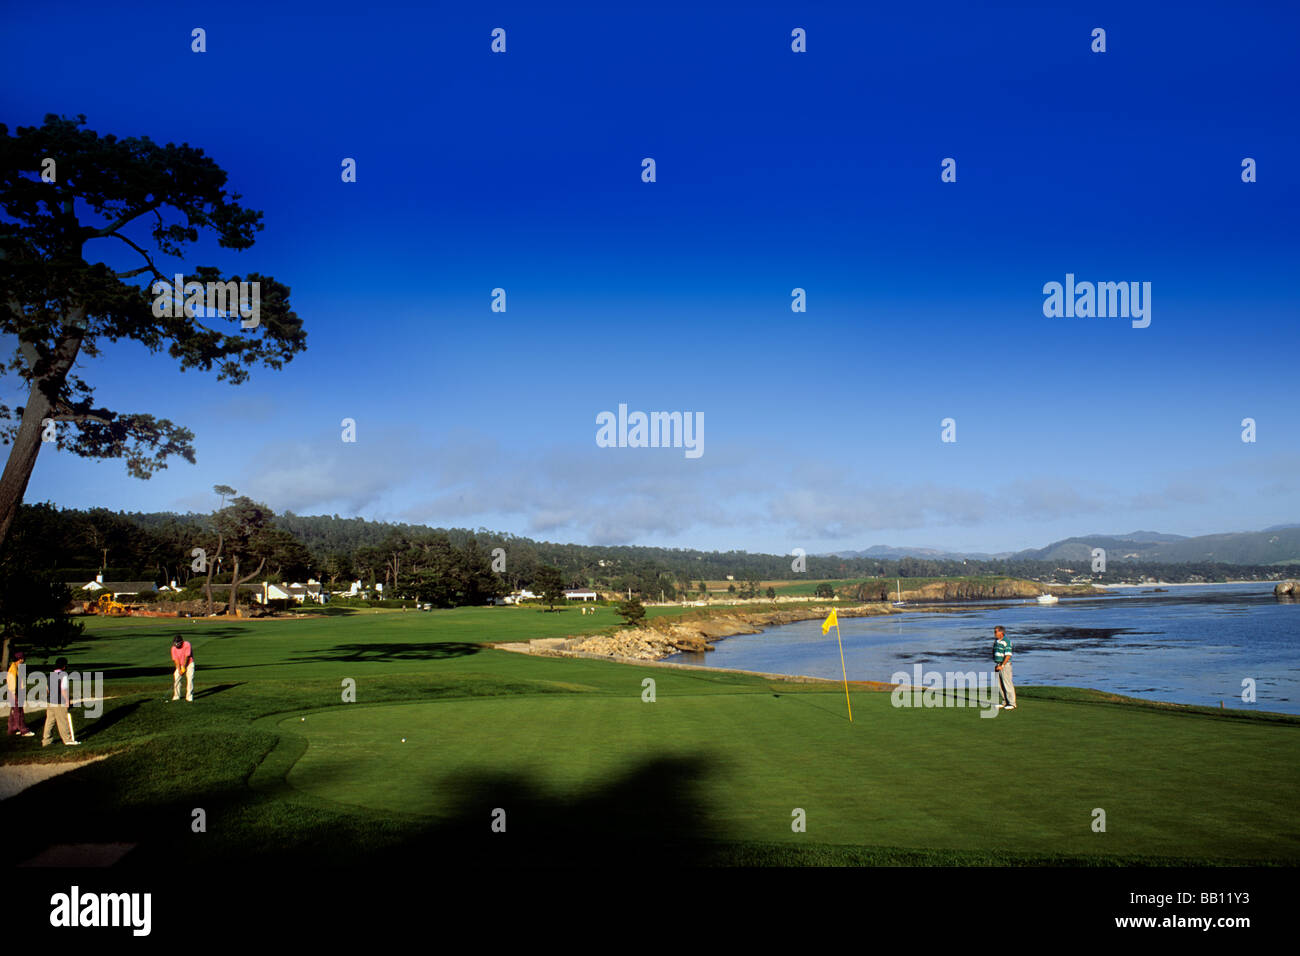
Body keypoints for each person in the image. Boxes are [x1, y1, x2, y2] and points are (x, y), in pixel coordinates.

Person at [42, 656, 79, 747]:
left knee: (49, 721)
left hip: (50, 702)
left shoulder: (50, 675)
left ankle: (46, 741)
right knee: (63, 721)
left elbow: (47, 690)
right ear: (64, 666)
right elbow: (64, 690)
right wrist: (67, 701)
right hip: (59, 702)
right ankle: (67, 740)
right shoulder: (64, 675)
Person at [6, 650, 35, 737]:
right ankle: (23, 730)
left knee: (14, 712)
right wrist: (15, 694)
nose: (23, 660)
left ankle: (12, 729)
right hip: (14, 693)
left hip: (13, 693)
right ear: (20, 659)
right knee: (18, 712)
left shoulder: (15, 667)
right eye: (22, 658)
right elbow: (12, 683)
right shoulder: (14, 669)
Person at [993, 625, 1016, 710]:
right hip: (998, 664)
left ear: (1001, 632)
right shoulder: (996, 641)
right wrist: (997, 664)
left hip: (1005, 665)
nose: (994, 633)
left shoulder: (1007, 641)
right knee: (1000, 685)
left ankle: (1012, 703)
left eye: (996, 632)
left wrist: (1002, 665)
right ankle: (1004, 702)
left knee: (1007, 683)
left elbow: (1008, 655)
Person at [171, 635, 195, 702]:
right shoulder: (173, 648)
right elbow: (176, 660)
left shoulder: (187, 644)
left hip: (189, 664)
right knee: (176, 678)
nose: (176, 645)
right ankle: (176, 696)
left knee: (190, 679)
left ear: (181, 642)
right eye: (175, 643)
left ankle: (189, 696)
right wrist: (179, 670)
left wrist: (184, 668)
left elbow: (187, 657)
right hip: (180, 665)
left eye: (177, 643)